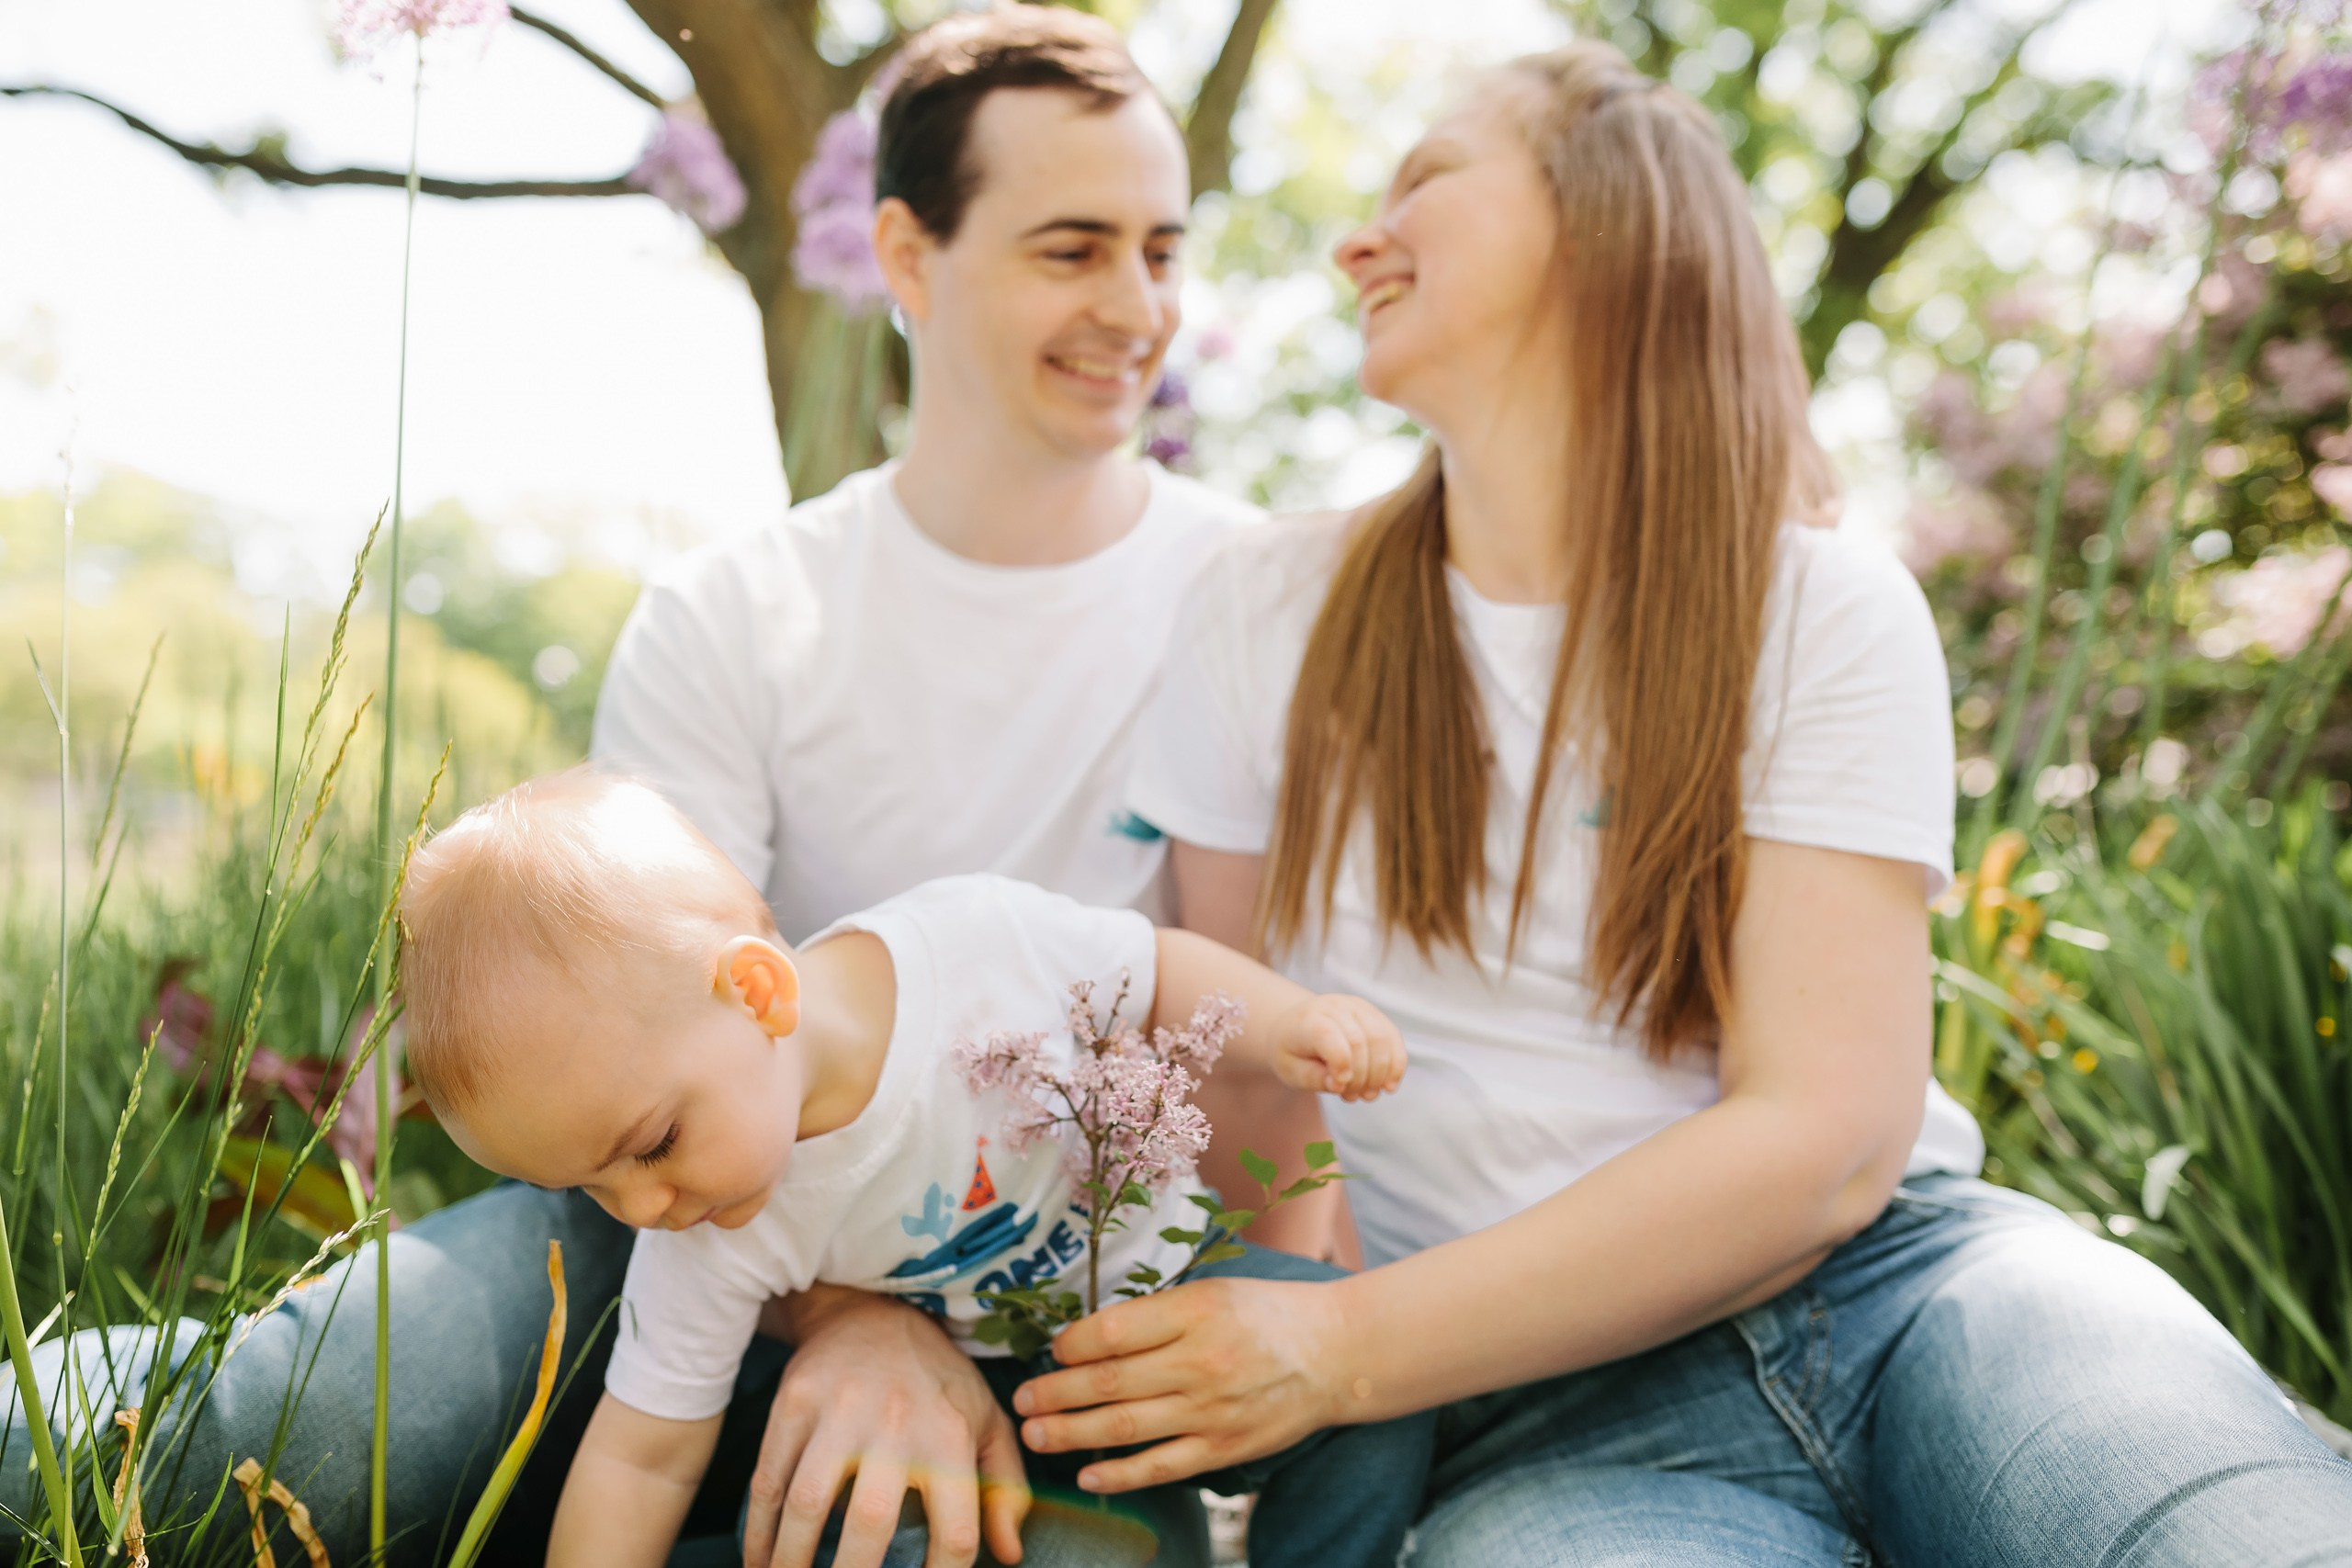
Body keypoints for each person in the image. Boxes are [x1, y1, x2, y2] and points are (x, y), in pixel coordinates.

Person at [978, 41, 2352, 1567]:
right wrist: (1348, 1408)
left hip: (1922, 1302)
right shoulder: (1265, 608)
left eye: (1425, 178)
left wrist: (1347, 1347)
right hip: (1542, 1418)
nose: (1357, 238)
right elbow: (1252, 1073)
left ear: (1603, 219)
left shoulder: (1820, 608)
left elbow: (1827, 1140)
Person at [0, 11, 1324, 1568]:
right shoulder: (742, 610)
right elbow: (620, 1019)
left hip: (1031, 1306)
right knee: (317, 1415)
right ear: (907, 256)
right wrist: (851, 1319)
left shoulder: (1255, 595)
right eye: (1074, 248)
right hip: (671, 1223)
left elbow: (1267, 1070)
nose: (1138, 305)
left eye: (1163, 250)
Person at [393, 771, 1430, 1568]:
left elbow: (1152, 974)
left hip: (1180, 1288)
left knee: (1377, 1389)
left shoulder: (975, 950)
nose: (644, 1209)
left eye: (651, 1144)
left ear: (756, 993)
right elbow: (641, 1451)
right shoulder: (713, 1229)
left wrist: (1291, 1022)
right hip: (1026, 1408)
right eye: (592, 1189)